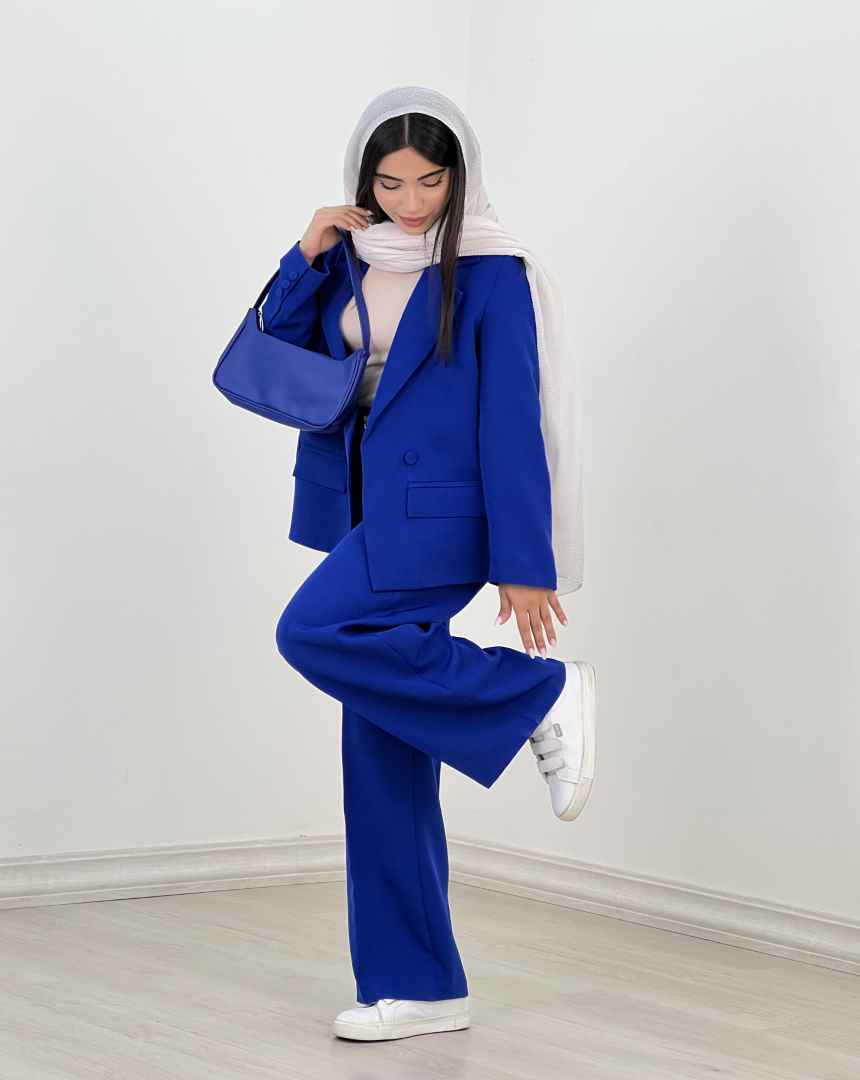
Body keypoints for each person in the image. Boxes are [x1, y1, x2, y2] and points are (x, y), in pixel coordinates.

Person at [260, 85, 597, 1042]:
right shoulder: (351, 257)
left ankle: (537, 694)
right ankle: (421, 984)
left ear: (461, 176)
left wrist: (525, 560)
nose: (411, 203)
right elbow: (276, 354)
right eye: (391, 182)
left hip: (444, 519)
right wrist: (304, 254)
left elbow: (512, 418)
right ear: (364, 180)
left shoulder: (490, 269)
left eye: (430, 181)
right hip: (363, 512)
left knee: (309, 629)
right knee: (383, 752)